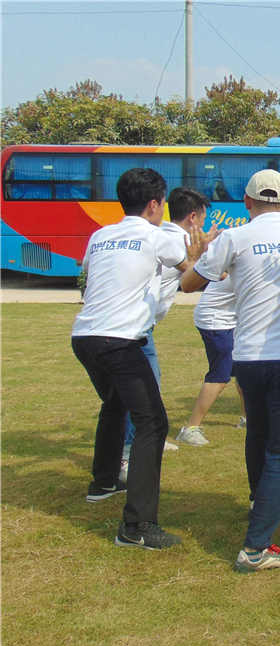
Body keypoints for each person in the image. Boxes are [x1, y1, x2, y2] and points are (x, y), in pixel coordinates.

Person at [180, 169, 280, 573]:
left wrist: (196, 257)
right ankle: (255, 549)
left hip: (250, 357)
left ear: (247, 202)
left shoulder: (234, 237)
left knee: (258, 434)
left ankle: (261, 500)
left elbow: (188, 284)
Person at [72, 167, 205, 550]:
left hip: (84, 337)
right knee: (153, 424)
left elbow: (92, 274)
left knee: (115, 404)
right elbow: (190, 276)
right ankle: (137, 526)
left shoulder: (100, 235)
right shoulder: (157, 236)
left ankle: (103, 481)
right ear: (154, 204)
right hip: (119, 341)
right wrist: (199, 257)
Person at [119, 187, 213, 475]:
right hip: (136, 328)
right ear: (193, 217)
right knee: (143, 390)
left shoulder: (162, 236)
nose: (204, 225)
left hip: (137, 325)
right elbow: (199, 277)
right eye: (203, 219)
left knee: (143, 388)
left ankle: (145, 441)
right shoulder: (178, 241)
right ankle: (128, 452)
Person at [176, 274, 246, 445]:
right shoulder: (250, 264)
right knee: (220, 376)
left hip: (231, 319)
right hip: (216, 321)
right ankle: (190, 429)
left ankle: (248, 419)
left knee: (243, 369)